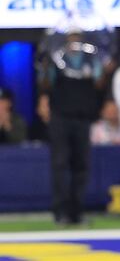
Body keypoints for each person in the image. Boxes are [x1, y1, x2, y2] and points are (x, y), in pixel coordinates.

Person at [39, 19, 110, 226]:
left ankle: (77, 211)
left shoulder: (91, 61)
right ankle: (61, 212)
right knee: (60, 164)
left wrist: (104, 70)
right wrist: (45, 67)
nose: (74, 42)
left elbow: (99, 83)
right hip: (61, 117)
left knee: (81, 166)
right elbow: (46, 85)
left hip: (82, 118)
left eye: (77, 38)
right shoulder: (57, 61)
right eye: (71, 38)